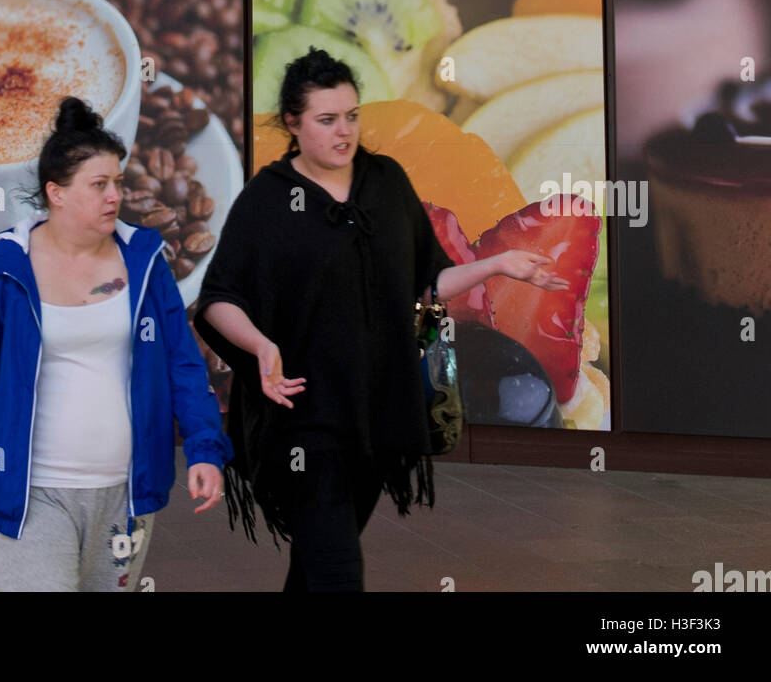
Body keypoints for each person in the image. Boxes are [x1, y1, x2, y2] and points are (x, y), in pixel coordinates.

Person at [194, 48, 565, 593]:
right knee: (339, 568)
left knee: (322, 562)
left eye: (351, 115)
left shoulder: (386, 182)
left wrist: (501, 264)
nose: (343, 131)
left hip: (377, 412)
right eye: (326, 120)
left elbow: (426, 283)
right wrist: (261, 347)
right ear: (294, 124)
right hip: (300, 412)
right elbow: (219, 300)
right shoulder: (266, 200)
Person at [0, 96, 230, 592]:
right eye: (99, 185)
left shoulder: (145, 262)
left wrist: (204, 448)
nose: (115, 195)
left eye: (117, 181)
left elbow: (183, 365)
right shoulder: (1, 267)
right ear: (57, 193)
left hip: (125, 495)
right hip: (28, 495)